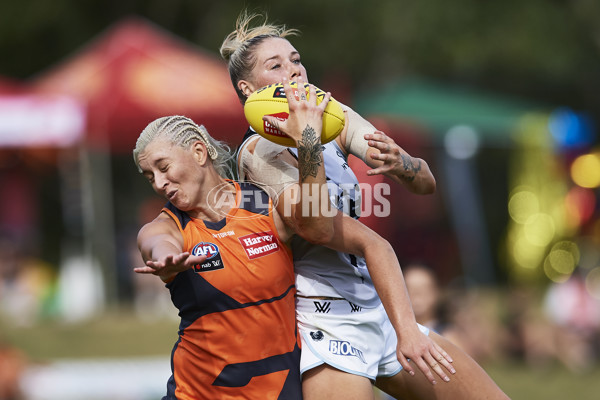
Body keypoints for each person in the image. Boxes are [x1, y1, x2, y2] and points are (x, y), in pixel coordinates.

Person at [220, 11, 510, 400]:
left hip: (379, 307)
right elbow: (319, 224)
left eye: (296, 59)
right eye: (276, 65)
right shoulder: (256, 152)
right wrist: (307, 135)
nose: (294, 71)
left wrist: (401, 165)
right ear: (247, 88)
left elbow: (426, 182)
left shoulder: (332, 118)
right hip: (325, 322)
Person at [131, 83, 453, 399]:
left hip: (279, 391)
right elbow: (156, 242)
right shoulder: (168, 226)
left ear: (199, 152)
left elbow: (352, 234)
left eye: (163, 167)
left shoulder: (261, 202)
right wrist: (167, 258)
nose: (159, 183)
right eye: (149, 177)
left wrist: (309, 140)